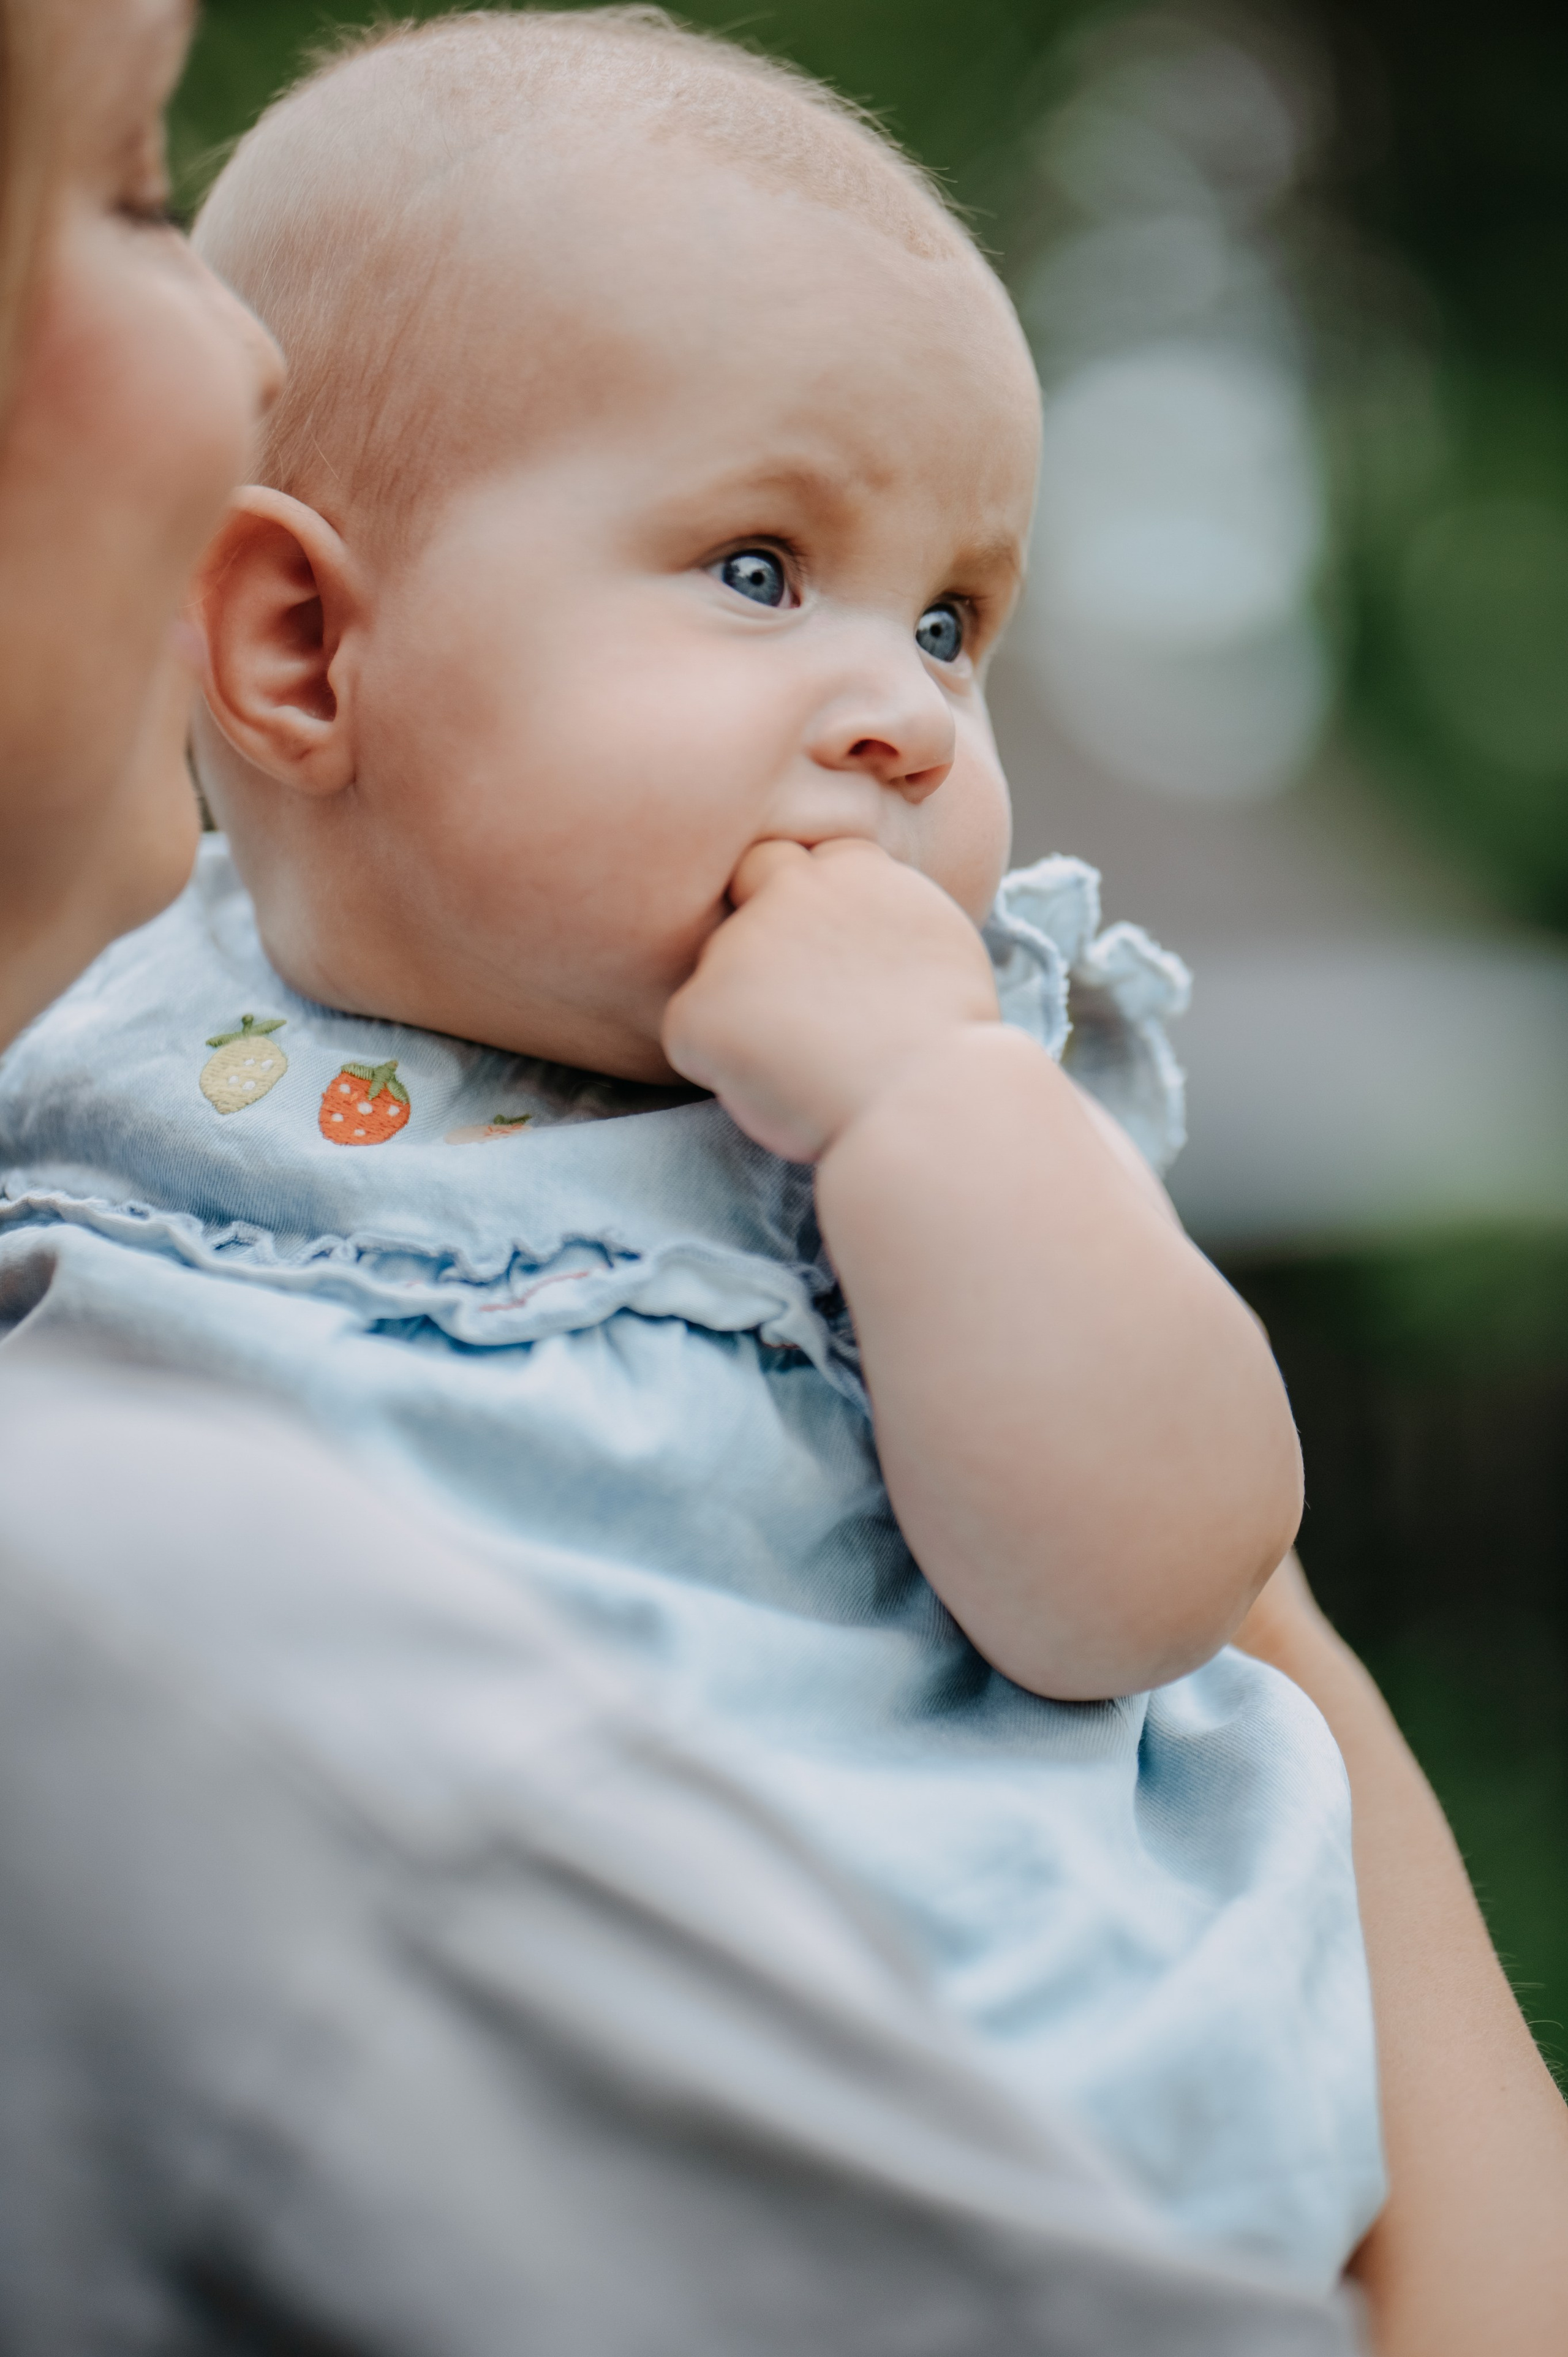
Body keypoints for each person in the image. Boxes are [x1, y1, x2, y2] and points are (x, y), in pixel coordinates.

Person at [0, 7, 1562, 2356]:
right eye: (759, 568)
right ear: (306, 644)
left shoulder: (922, 1107)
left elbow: (1169, 1582)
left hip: (1006, 2107)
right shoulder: (118, 1043)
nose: (908, 711)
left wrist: (931, 1104)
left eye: (951, 620)